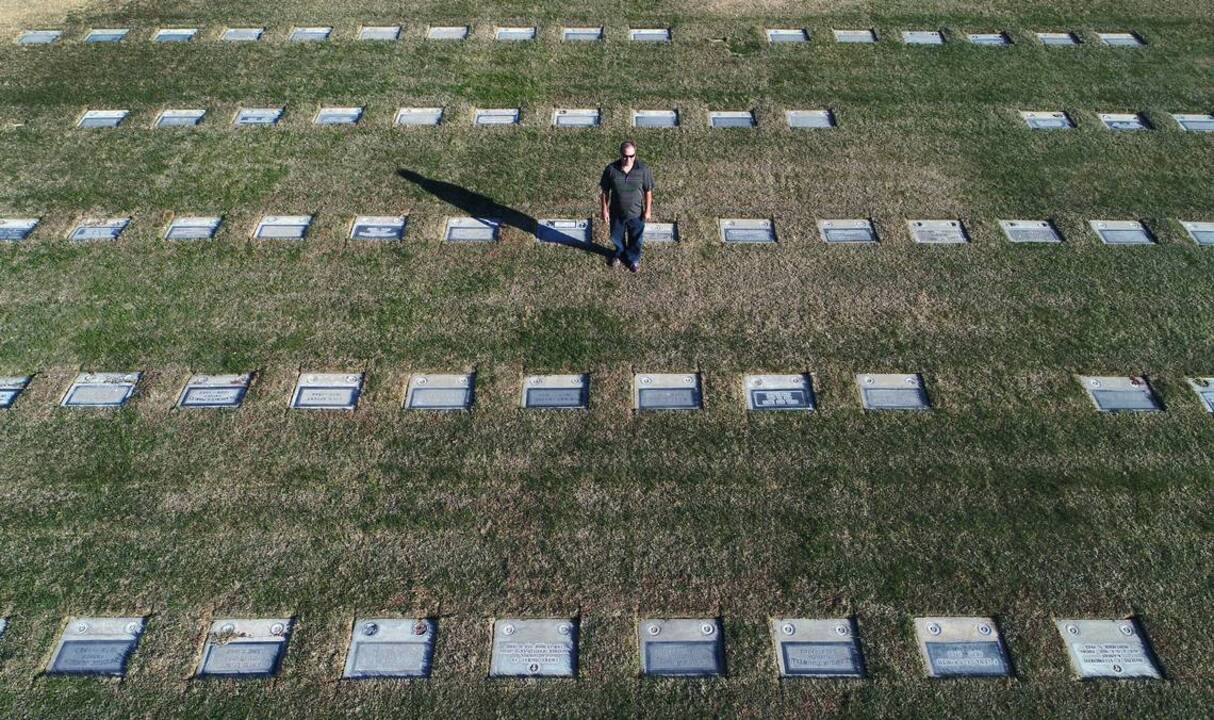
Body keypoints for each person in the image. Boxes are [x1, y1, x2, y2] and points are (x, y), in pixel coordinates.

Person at [599, 140, 654, 272]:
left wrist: (648, 210)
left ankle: (633, 259)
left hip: (636, 213)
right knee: (617, 237)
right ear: (620, 154)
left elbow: (648, 191)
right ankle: (619, 254)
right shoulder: (611, 169)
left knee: (636, 239)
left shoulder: (643, 170)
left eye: (631, 156)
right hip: (616, 213)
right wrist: (604, 210)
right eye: (625, 156)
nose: (628, 159)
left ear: (635, 154)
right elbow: (605, 192)